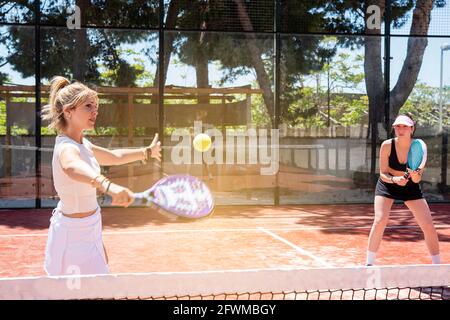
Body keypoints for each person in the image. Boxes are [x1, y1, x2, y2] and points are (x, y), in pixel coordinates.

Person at [41, 76, 161, 276]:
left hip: (91, 225)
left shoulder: (83, 144)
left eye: (96, 107)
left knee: (99, 286)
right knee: (73, 294)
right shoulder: (66, 147)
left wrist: (146, 152)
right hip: (72, 236)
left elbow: (114, 156)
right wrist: (108, 186)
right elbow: (72, 166)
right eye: (88, 106)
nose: (95, 111)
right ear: (68, 111)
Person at [366, 115, 440, 266]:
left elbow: (417, 180)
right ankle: (369, 264)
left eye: (405, 126)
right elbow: (383, 173)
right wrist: (394, 180)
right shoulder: (387, 145)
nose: (401, 129)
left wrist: (414, 175)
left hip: (411, 188)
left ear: (412, 129)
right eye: (397, 126)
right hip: (387, 184)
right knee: (379, 220)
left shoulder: (419, 146)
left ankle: (438, 266)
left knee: (428, 224)